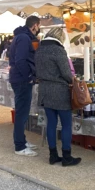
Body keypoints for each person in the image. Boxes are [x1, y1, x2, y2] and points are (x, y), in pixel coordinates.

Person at [35, 27, 81, 166]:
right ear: (60, 38)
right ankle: (67, 157)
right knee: (66, 124)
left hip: (45, 90)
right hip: (59, 91)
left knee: (51, 123)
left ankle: (53, 155)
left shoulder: (39, 50)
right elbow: (67, 74)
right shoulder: (58, 50)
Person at [8, 15, 41, 156]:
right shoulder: (24, 38)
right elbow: (20, 60)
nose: (39, 29)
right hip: (22, 80)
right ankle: (20, 146)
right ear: (34, 25)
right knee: (21, 112)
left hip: (21, 78)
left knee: (23, 111)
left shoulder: (22, 37)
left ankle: (22, 140)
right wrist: (28, 76)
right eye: (39, 26)